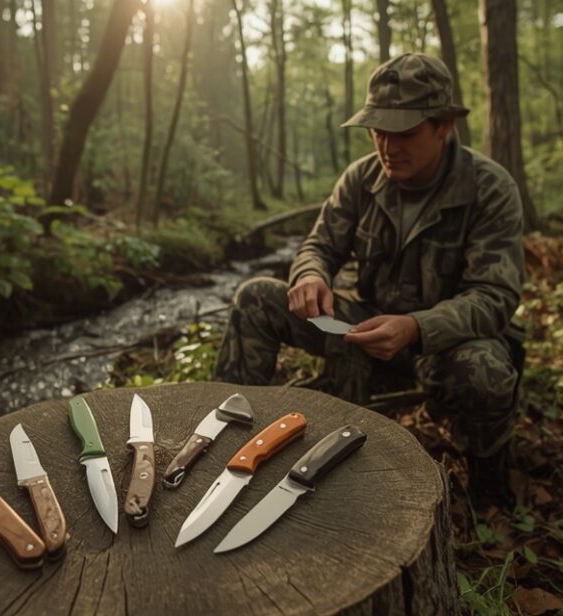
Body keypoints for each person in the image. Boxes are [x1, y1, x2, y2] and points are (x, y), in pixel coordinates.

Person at [213, 53, 526, 508]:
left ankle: (489, 490)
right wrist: (310, 275)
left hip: (446, 345)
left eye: (405, 133)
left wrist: (416, 327)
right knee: (255, 297)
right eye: (378, 131)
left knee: (485, 370)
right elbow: (319, 245)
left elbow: (495, 296)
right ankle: (227, 445)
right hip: (365, 329)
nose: (388, 146)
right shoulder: (362, 179)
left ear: (443, 126)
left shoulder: (489, 189)